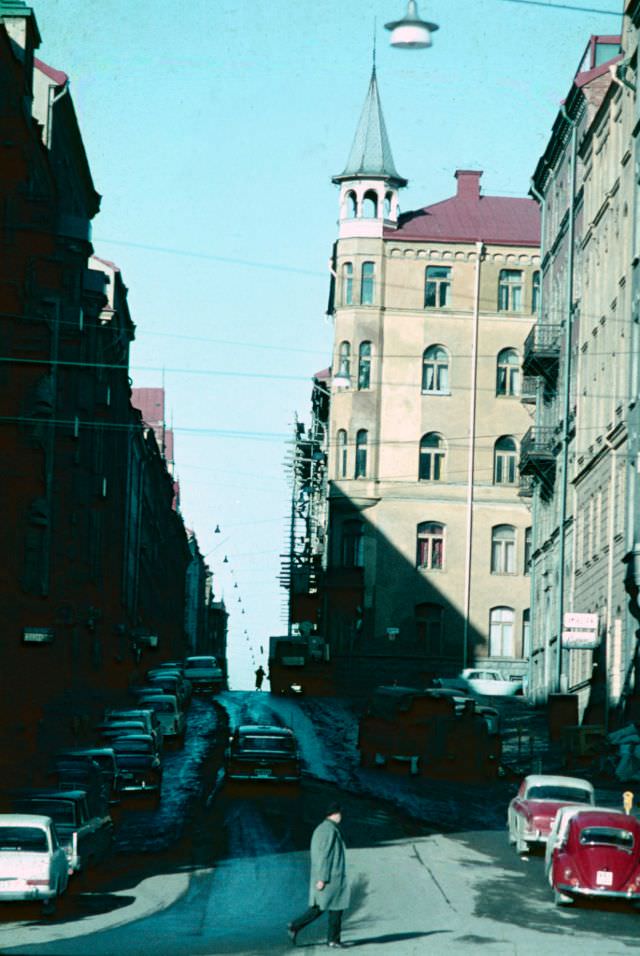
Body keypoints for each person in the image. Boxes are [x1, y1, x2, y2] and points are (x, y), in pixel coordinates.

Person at [287, 802, 350, 949]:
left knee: (326, 908)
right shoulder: (328, 830)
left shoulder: (327, 828)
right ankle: (332, 939)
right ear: (334, 814)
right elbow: (323, 855)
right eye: (340, 813)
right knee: (330, 908)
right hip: (330, 877)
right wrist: (322, 878)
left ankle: (297, 927)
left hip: (331, 876)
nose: (342, 816)